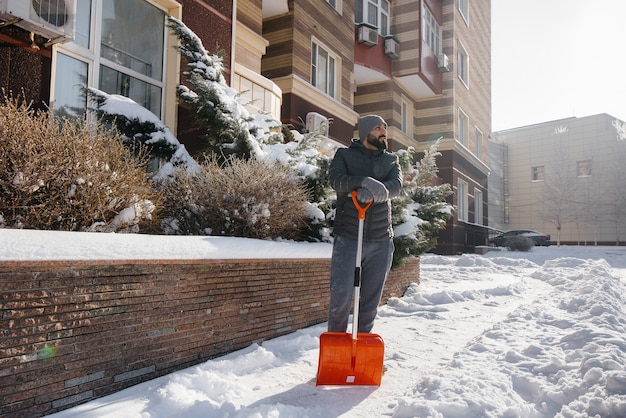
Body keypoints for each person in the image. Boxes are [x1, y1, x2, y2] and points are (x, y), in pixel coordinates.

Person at [327, 114, 402, 333]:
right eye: (378, 128)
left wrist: (378, 191)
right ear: (366, 131)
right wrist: (361, 182)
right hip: (348, 236)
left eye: (385, 128)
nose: (384, 132)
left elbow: (396, 186)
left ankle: (362, 354)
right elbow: (336, 180)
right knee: (340, 300)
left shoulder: (391, 160)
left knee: (369, 304)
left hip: (381, 240)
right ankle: (337, 352)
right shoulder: (344, 155)